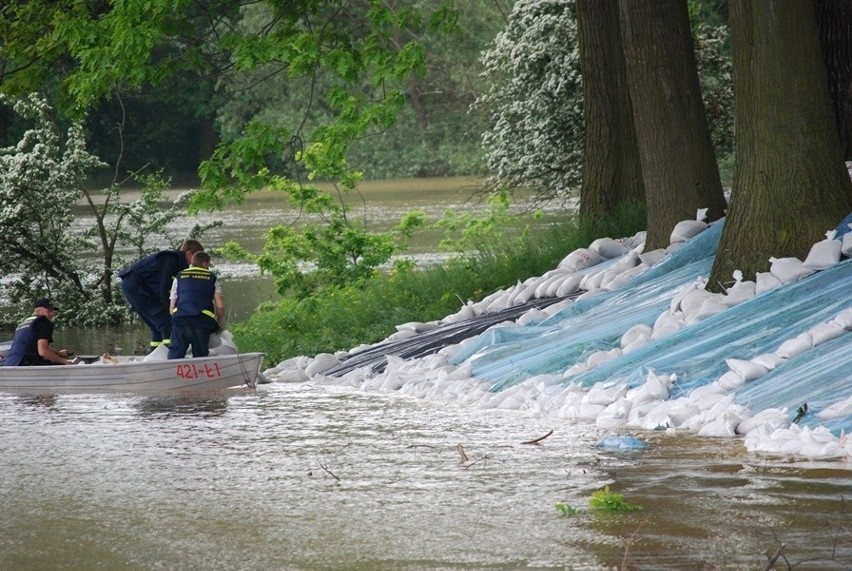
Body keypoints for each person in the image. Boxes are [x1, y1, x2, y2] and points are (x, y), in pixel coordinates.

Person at [118, 239, 204, 351]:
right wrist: (172, 311)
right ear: (189, 253)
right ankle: (171, 357)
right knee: (167, 324)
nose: (195, 262)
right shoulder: (170, 260)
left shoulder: (176, 263)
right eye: (196, 257)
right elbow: (163, 290)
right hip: (137, 288)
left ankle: (155, 358)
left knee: (157, 327)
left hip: (133, 287)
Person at [167, 251, 225, 359]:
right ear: (205, 263)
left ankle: (172, 374)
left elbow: (172, 307)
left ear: (192, 262)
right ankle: (199, 375)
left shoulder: (179, 277)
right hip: (202, 322)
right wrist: (218, 323)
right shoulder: (211, 278)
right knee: (200, 359)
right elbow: (220, 306)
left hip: (180, 320)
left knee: (174, 357)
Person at [3, 299, 75, 366]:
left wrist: (59, 353)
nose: (52, 314)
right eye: (49, 311)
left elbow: (38, 348)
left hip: (11, 362)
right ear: (39, 310)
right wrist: (64, 361)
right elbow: (43, 352)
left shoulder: (24, 323)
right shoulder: (42, 323)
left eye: (53, 311)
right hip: (27, 363)